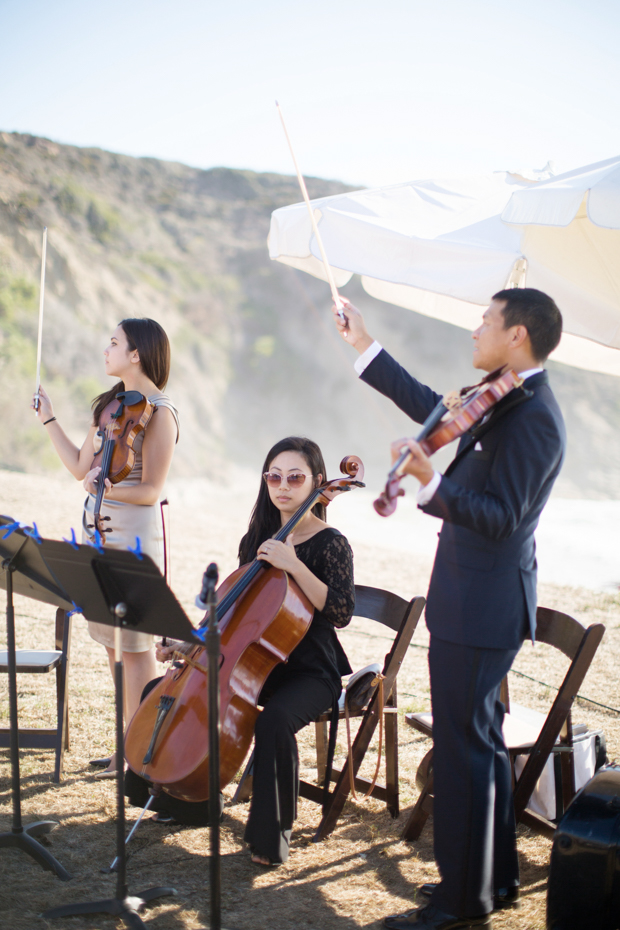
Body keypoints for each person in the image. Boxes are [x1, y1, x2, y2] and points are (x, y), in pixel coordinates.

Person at [333, 289, 565, 930]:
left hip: (483, 607)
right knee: (482, 747)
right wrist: (364, 345)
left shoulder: (537, 416)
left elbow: (500, 518)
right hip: (475, 602)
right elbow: (435, 407)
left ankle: (459, 901)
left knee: (464, 753)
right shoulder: (504, 393)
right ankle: (496, 882)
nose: (475, 330)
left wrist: (429, 484)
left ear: (517, 334)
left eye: (486, 321)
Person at [128, 436, 355, 864]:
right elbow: (233, 619)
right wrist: (187, 642)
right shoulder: (256, 539)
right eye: (274, 476)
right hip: (253, 665)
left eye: (295, 477)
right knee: (162, 691)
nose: (283, 485)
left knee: (275, 723)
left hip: (309, 672)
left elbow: (341, 611)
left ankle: (272, 839)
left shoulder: (331, 544)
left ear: (318, 483)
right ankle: (185, 801)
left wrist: (293, 564)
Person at [33, 318, 179, 775]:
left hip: (132, 543)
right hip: (98, 538)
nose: (107, 349)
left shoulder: (161, 412)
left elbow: (150, 489)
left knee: (135, 652)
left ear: (136, 354)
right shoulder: (113, 407)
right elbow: (81, 467)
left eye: (114, 342)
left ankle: (141, 754)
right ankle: (125, 750)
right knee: (115, 651)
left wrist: (104, 490)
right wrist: (49, 419)